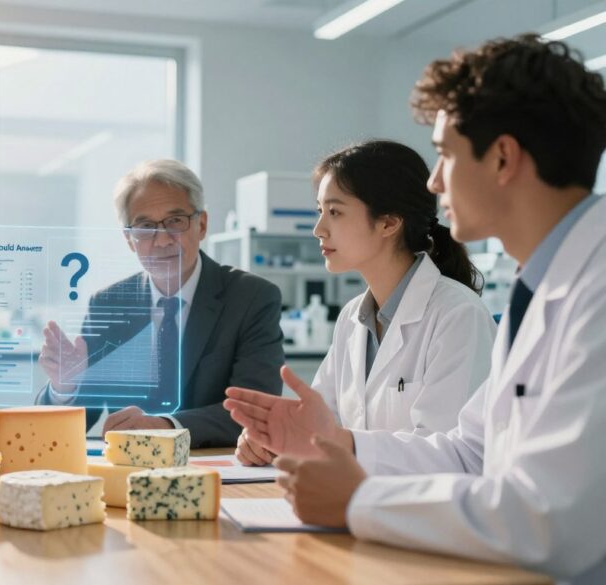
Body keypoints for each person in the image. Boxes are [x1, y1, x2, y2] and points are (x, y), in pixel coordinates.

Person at [224, 35, 606, 581]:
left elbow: (553, 520)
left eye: (445, 154)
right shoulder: (541, 286)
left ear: (502, 157)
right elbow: (470, 453)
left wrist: (359, 502)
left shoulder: (594, 289)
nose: (433, 181)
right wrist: (336, 442)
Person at [235, 140, 496, 466]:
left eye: (335, 212)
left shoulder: (458, 316)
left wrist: (333, 444)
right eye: (320, 212)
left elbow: (449, 457)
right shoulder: (352, 318)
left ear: (389, 222)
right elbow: (320, 427)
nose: (319, 229)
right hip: (354, 503)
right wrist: (274, 441)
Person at [37, 159, 285, 448]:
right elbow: (83, 418)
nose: (163, 239)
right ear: (129, 239)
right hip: (130, 470)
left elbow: (255, 410)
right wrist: (65, 386)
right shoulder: (110, 303)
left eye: (175, 221)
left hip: (217, 469)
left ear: (201, 224)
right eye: (145, 227)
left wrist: (165, 427)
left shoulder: (251, 297)